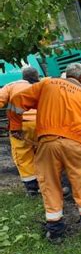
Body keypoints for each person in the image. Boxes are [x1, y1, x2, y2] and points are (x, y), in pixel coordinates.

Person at [8, 63, 81, 241]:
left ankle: (56, 230)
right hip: (75, 145)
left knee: (50, 184)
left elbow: (16, 102)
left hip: (48, 143)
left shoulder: (46, 84)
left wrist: (15, 127)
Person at [0, 67, 40, 195]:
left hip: (22, 125)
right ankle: (48, 181)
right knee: (42, 153)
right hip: (42, 124)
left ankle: (32, 187)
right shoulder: (42, 85)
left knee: (23, 155)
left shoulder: (11, 86)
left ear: (23, 76)